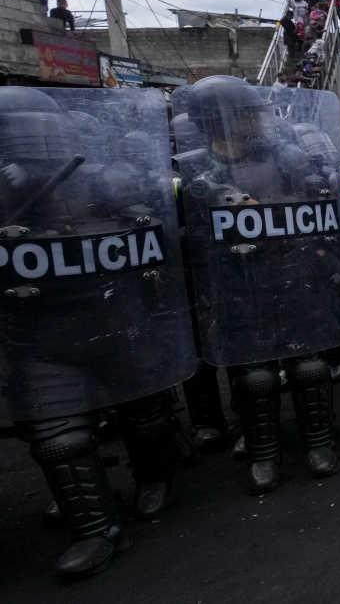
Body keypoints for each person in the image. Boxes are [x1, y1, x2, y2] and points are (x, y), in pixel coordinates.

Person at [1, 88, 195, 577]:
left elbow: (156, 238)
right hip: (39, 332)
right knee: (58, 437)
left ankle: (156, 477)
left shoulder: (106, 182)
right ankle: (94, 527)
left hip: (114, 317)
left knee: (144, 411)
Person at [173, 76, 340, 494]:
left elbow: (327, 215)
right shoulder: (192, 170)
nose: (257, 120)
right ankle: (263, 450)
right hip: (238, 285)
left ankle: (318, 441)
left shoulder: (289, 159)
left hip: (293, 276)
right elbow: (180, 241)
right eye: (247, 114)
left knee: (308, 367)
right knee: (253, 376)